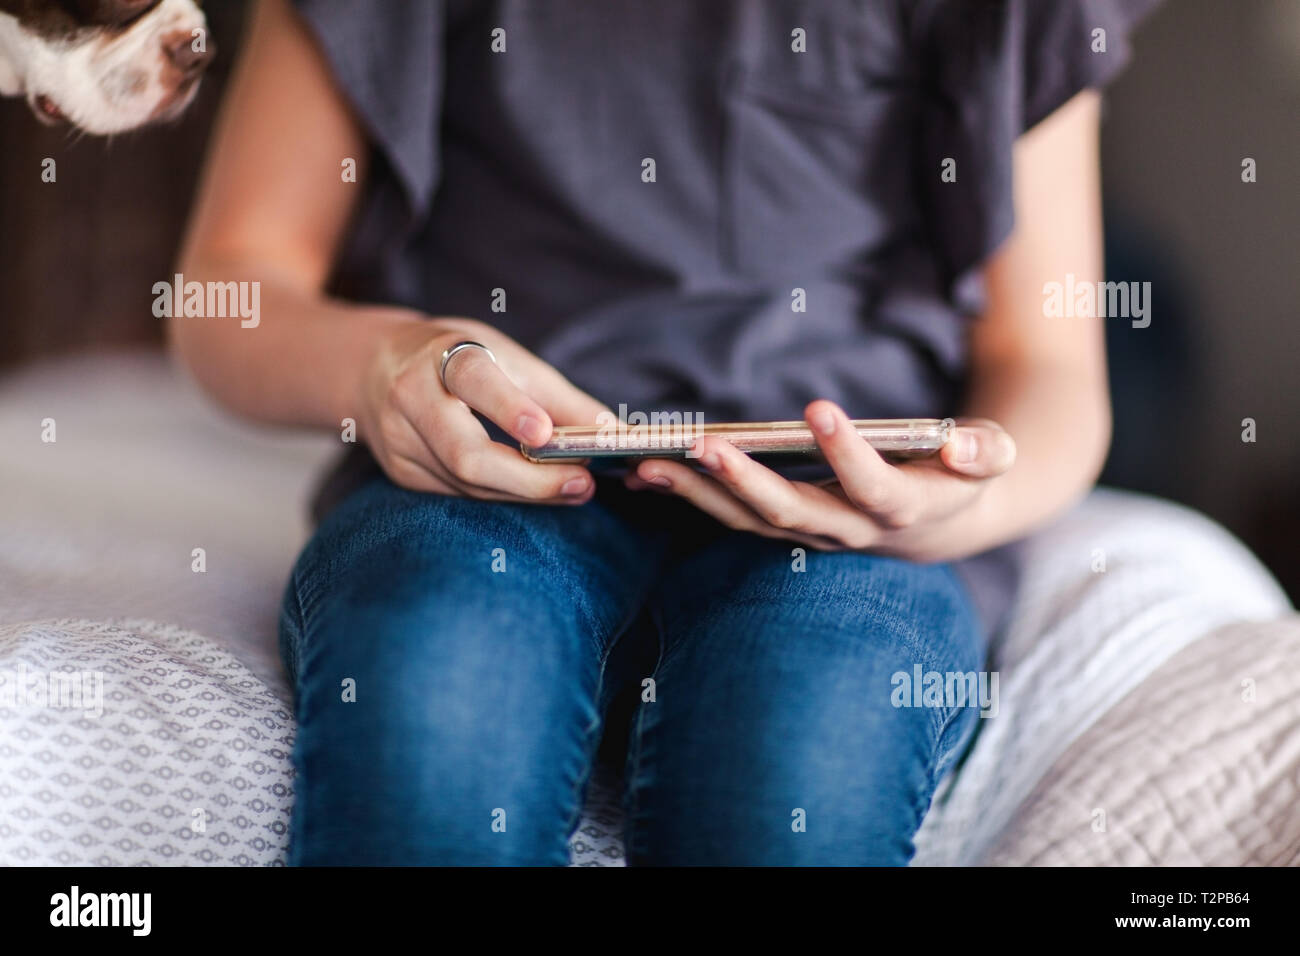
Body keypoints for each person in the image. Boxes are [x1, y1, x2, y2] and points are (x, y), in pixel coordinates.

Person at [171, 0, 1158, 864]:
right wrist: (380, 362)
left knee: (802, 736)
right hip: (487, 481)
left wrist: (956, 497)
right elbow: (230, 284)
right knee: (439, 673)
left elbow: (1049, 370)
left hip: (846, 517)